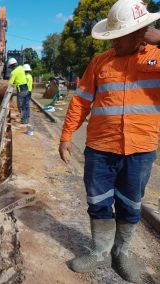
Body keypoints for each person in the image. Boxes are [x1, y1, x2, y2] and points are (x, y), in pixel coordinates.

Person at [58, 0, 160, 282]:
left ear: (140, 33)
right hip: (100, 150)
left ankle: (121, 254)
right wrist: (66, 136)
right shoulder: (100, 63)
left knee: (130, 204)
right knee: (98, 201)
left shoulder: (157, 58)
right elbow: (80, 102)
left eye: (119, 36)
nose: (113, 42)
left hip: (140, 150)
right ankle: (101, 251)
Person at [7, 58, 29, 124]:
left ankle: (24, 120)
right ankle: (26, 120)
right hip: (26, 88)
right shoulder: (21, 68)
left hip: (21, 90)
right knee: (25, 105)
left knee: (20, 106)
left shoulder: (13, 72)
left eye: (10, 67)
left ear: (11, 66)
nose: (10, 68)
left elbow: (10, 83)